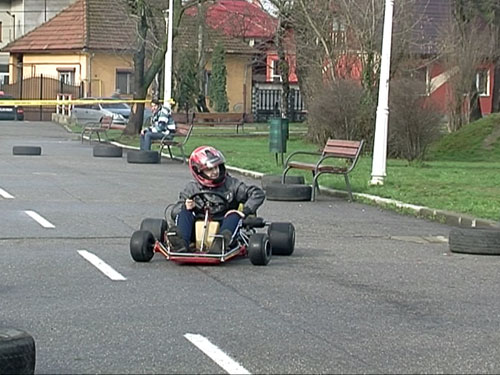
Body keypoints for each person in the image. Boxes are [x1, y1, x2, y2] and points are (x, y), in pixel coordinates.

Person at [168, 146, 265, 253]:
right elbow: (174, 211)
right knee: (184, 212)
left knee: (234, 215)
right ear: (198, 171)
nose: (215, 172)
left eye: (216, 167)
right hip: (196, 227)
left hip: (224, 223)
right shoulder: (192, 188)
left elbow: (257, 193)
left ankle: (220, 243)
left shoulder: (231, 184)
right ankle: (181, 243)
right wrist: (186, 206)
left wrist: (244, 211)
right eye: (209, 169)